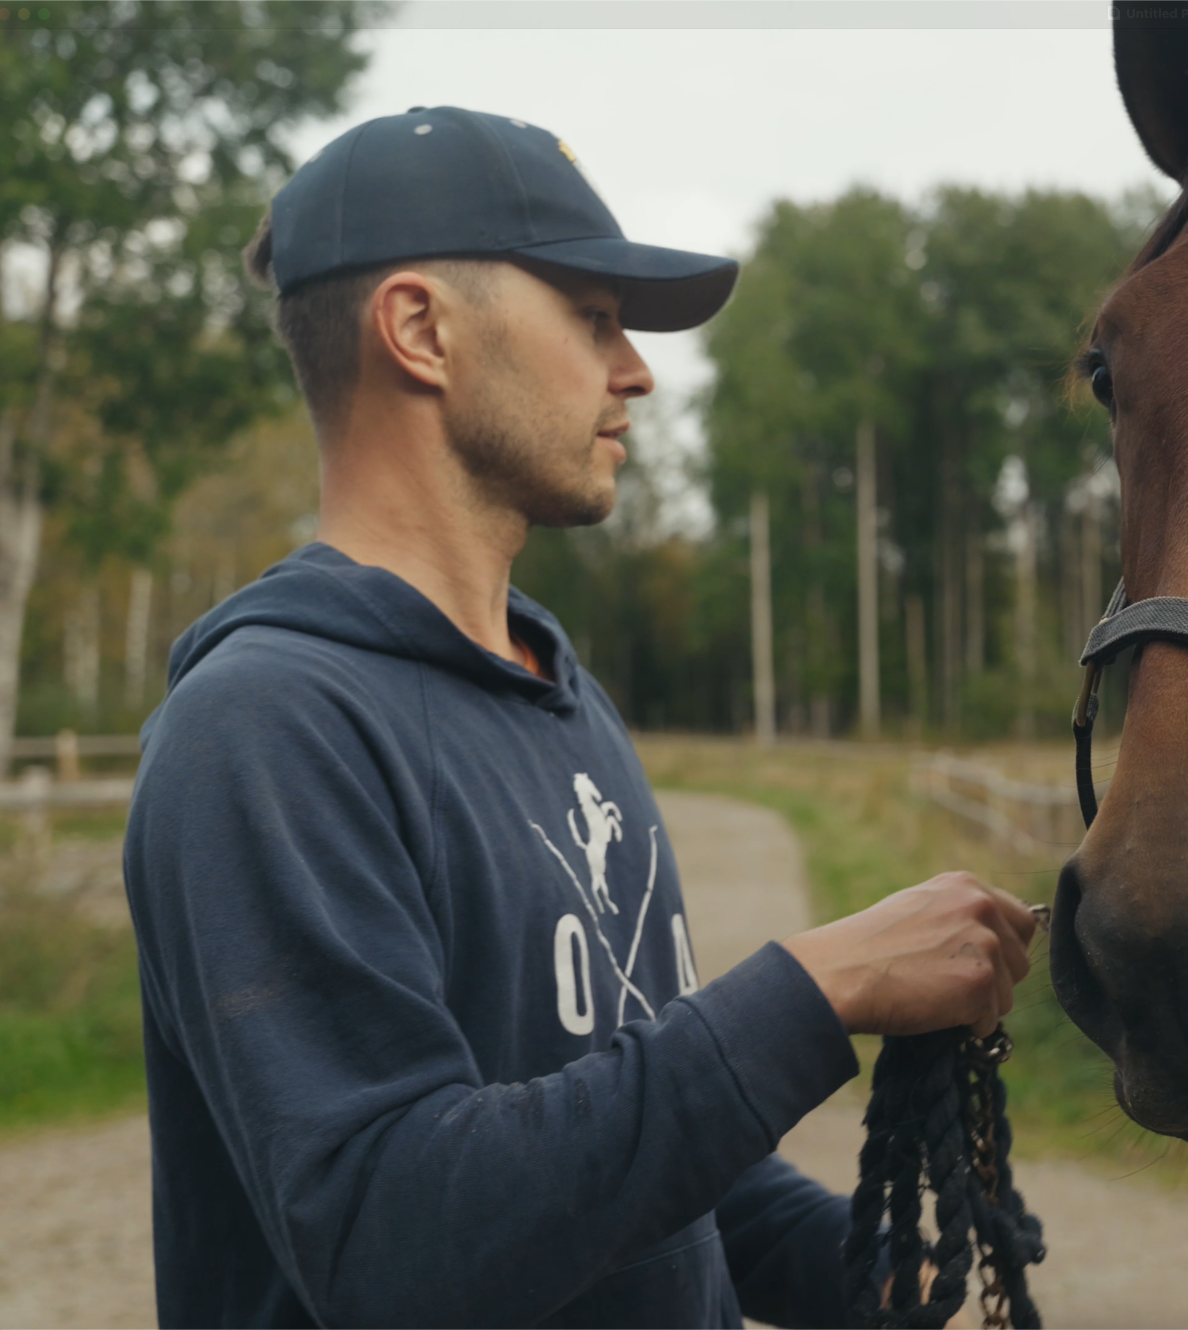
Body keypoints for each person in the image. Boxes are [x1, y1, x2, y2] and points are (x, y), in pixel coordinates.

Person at [121, 106, 1037, 1328]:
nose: (637, 370)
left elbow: (637, 1154)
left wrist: (866, 1266)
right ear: (419, 329)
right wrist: (818, 989)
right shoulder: (265, 728)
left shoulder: (562, 693)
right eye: (593, 318)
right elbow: (394, 1238)